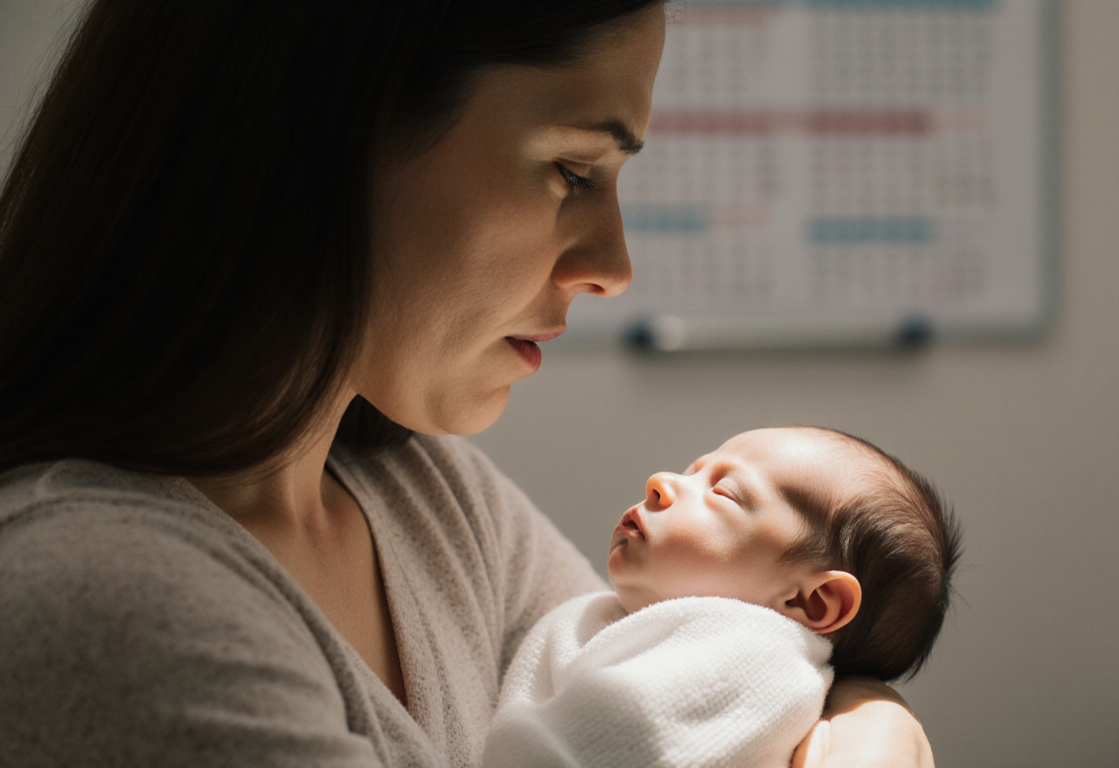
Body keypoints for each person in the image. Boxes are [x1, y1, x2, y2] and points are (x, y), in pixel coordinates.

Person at [0, 2, 936, 766]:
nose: (613, 265)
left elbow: (714, 650)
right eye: (573, 169)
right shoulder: (114, 606)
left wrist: (872, 714)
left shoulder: (431, 500)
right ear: (328, 130)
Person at [482, 426, 960, 768]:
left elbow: (621, 744)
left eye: (723, 492)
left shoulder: (758, 659)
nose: (661, 480)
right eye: (694, 470)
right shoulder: (634, 623)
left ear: (812, 602)